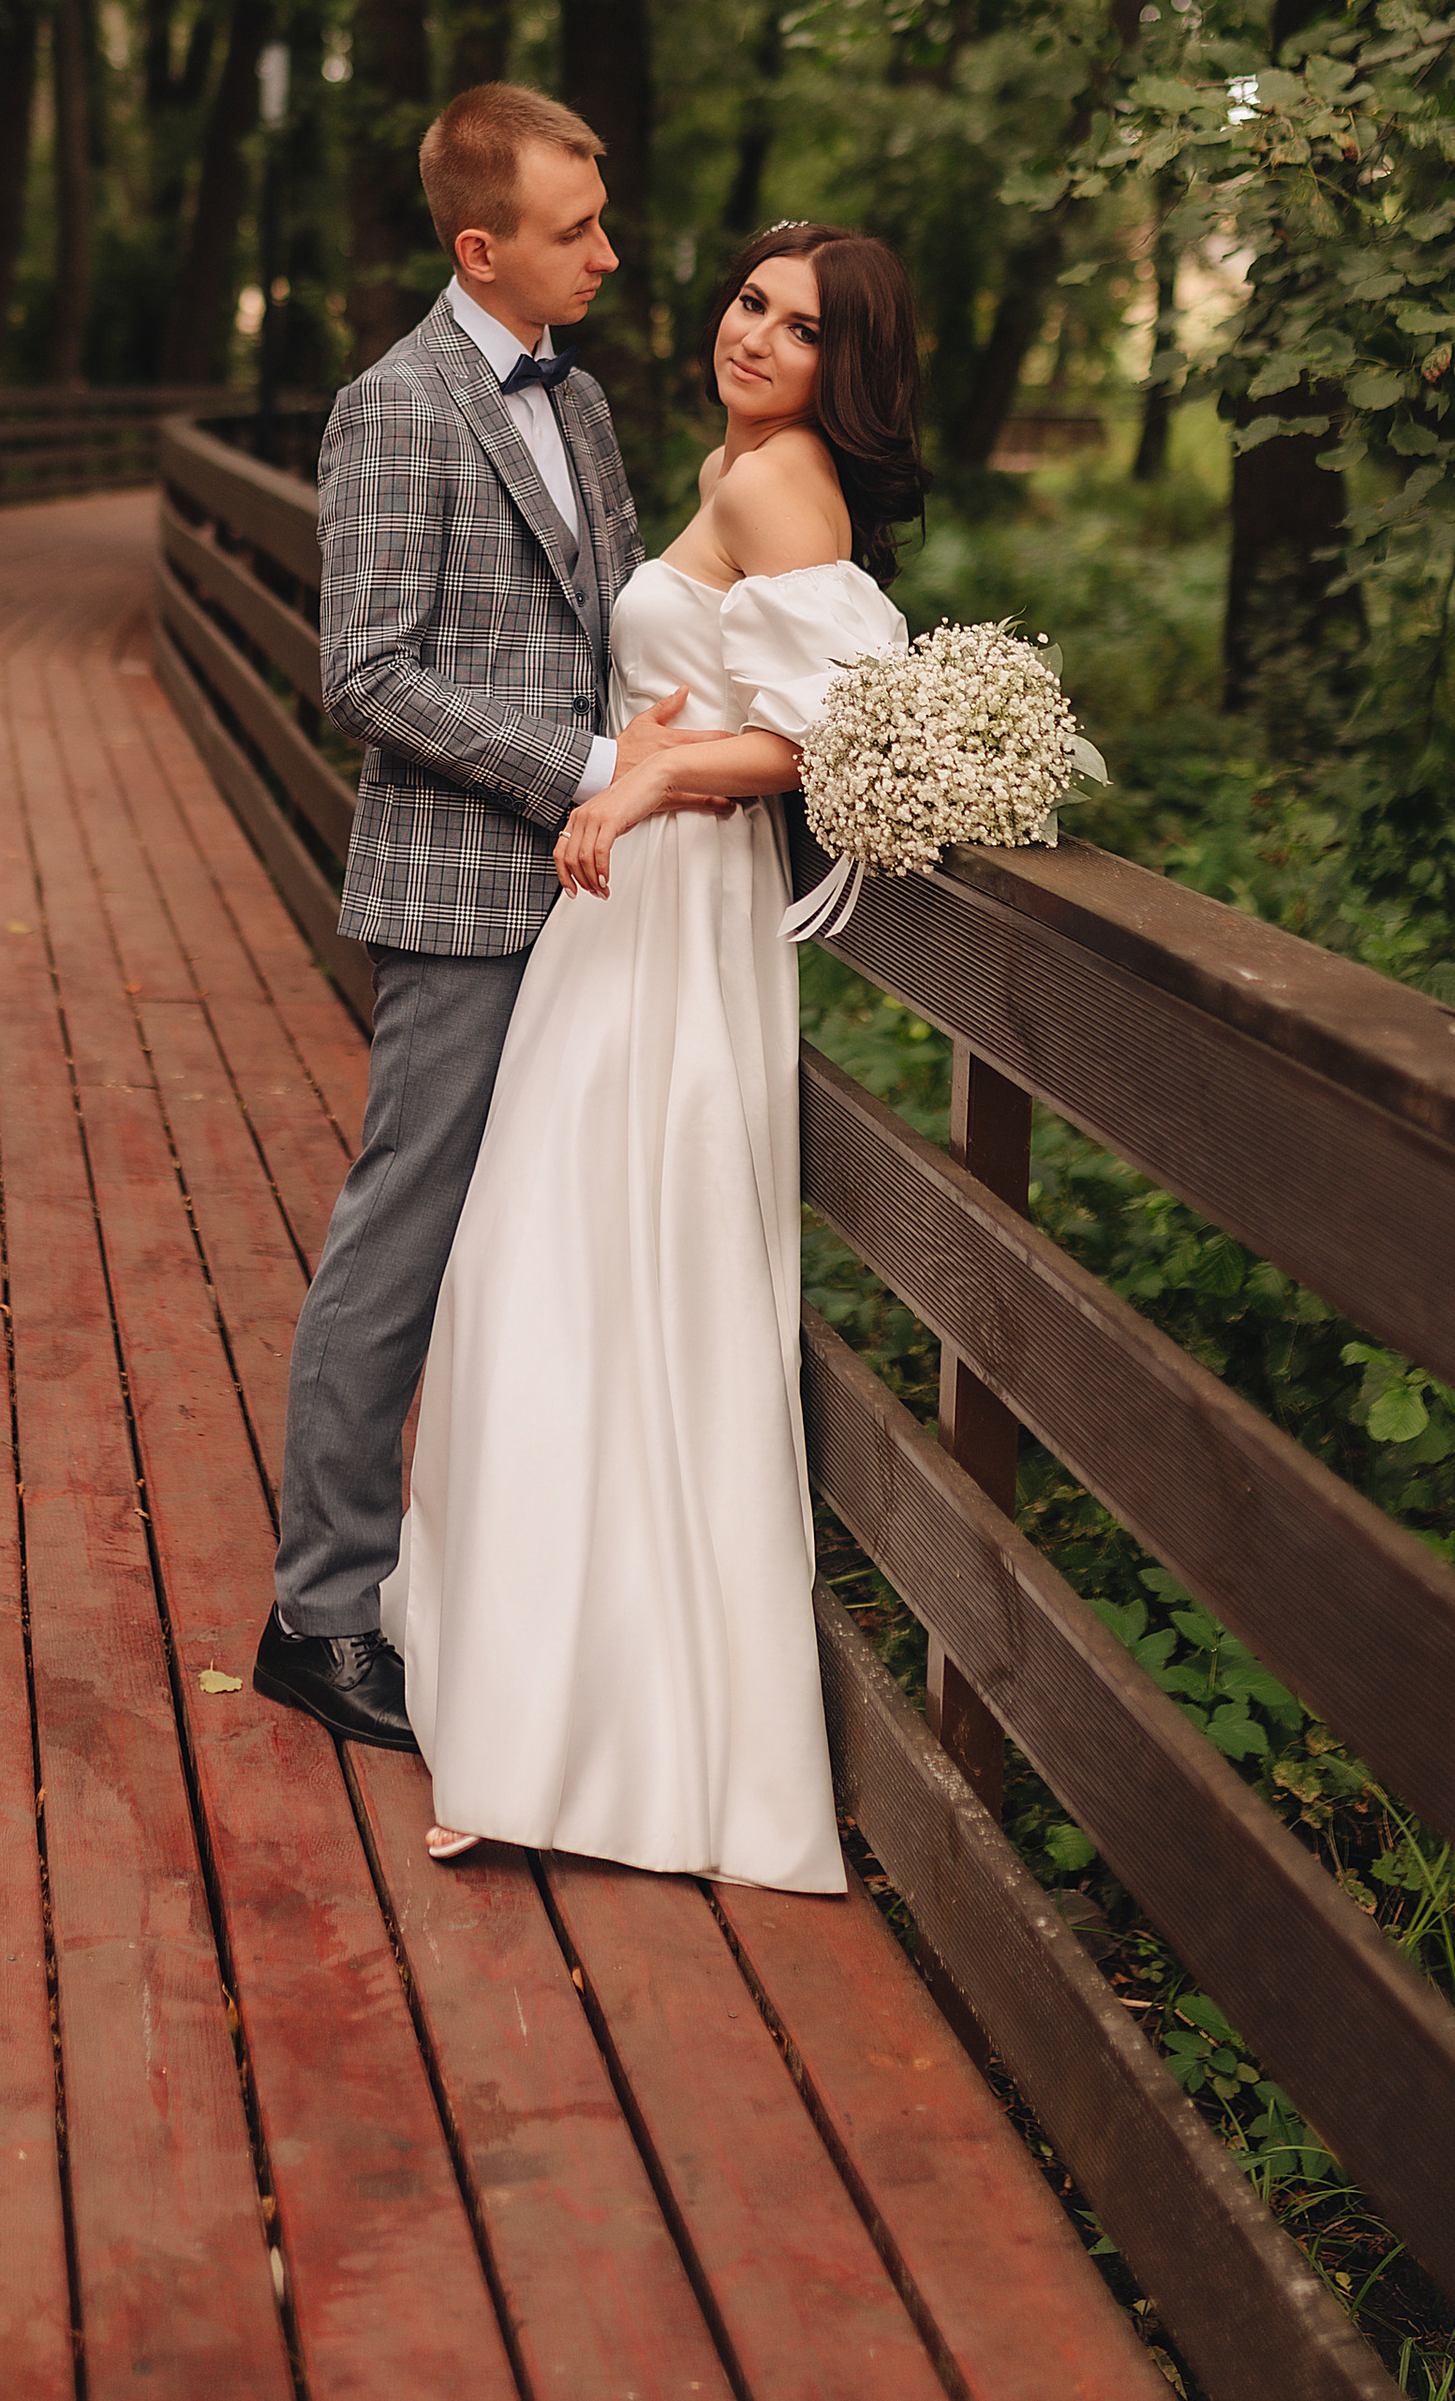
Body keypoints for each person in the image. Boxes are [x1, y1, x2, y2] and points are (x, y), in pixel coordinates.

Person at [387, 220, 923, 1891]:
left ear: (853, 366)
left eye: (804, 327)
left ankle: (579, 1731)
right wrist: (636, 763)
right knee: (559, 1274)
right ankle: (533, 1686)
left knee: (593, 1277)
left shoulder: (781, 487)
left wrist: (649, 785)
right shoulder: (736, 458)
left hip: (671, 918)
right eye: (751, 302)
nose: (756, 335)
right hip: (624, 917)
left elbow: (840, 731)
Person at [254, 82, 710, 1747]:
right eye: (576, 227)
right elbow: (365, 673)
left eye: (600, 215)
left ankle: (516, 1594)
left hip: (601, 881)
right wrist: (586, 760)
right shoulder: (394, 410)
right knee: (405, 1241)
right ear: (481, 245)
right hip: (459, 895)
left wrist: (682, 747)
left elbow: (622, 606)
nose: (608, 248)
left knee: (557, 1246)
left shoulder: (576, 405)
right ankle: (318, 1611)